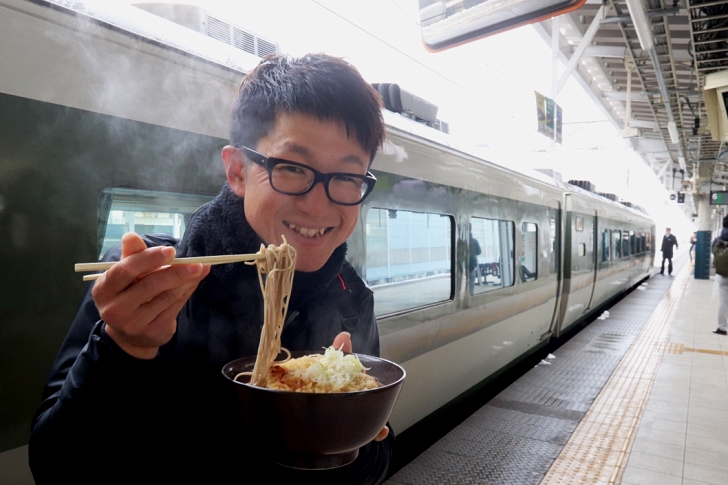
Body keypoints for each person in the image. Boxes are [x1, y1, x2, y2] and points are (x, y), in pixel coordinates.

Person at [29, 54, 392, 484]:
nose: (319, 204)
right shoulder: (150, 283)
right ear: (238, 170)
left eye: (348, 177)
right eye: (292, 168)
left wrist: (349, 435)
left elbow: (378, 463)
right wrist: (122, 349)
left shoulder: (351, 297)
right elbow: (55, 468)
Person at [713, 218, 728, 335]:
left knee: (723, 302)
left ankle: (722, 328)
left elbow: (714, 252)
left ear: (723, 226)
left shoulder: (719, 240)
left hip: (723, 275)